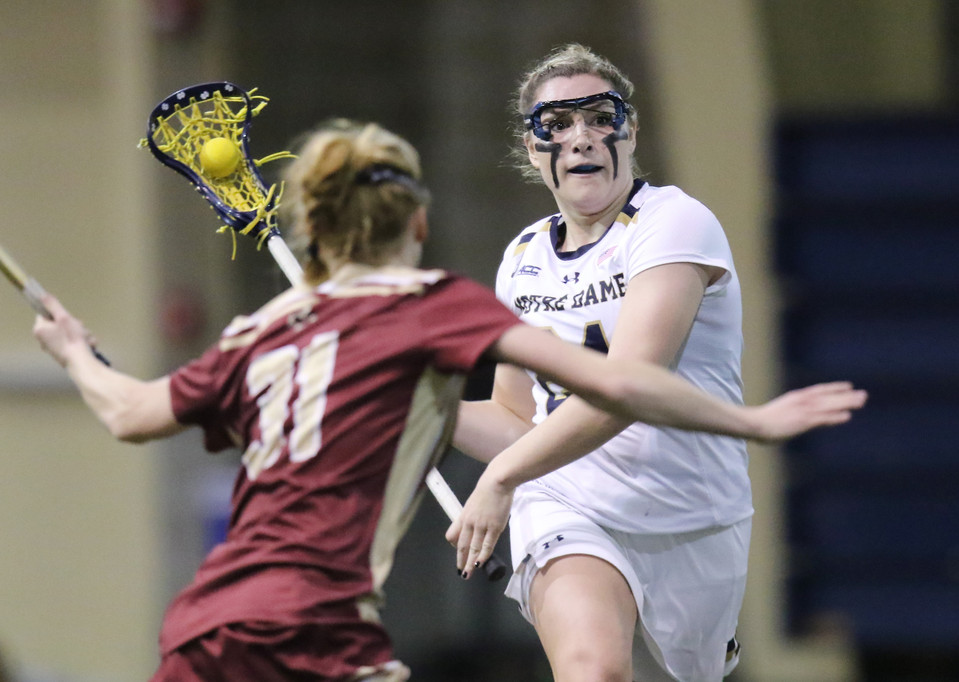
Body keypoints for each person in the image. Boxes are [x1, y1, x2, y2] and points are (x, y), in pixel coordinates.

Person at [32, 119, 863, 682]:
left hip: (203, 629)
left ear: (314, 231)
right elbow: (617, 383)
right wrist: (750, 420)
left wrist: (75, 352)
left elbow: (129, 413)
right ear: (418, 226)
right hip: (317, 631)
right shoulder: (427, 303)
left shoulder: (264, 329)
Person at [447, 44, 817, 682]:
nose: (581, 137)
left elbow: (628, 391)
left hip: (693, 512)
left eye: (599, 116)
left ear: (631, 128)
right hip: (569, 499)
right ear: (534, 150)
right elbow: (515, 415)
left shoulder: (673, 225)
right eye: (556, 125)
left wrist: (501, 476)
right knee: (594, 669)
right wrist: (414, 407)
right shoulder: (522, 257)